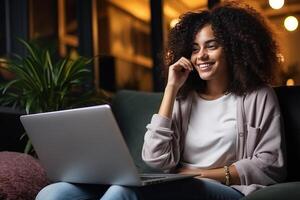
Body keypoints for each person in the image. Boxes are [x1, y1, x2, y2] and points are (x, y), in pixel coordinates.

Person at [36, 2, 286, 200]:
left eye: (211, 46)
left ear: (233, 49)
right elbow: (156, 159)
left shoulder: (257, 96)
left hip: (224, 190)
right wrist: (170, 88)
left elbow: (270, 166)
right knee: (53, 193)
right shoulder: (184, 98)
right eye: (195, 49)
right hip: (177, 183)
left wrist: (196, 174)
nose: (202, 56)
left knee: (122, 193)